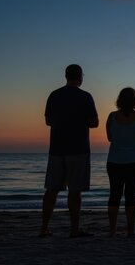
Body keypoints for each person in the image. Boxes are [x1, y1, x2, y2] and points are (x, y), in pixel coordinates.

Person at [40, 64, 99, 238]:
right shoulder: (85, 97)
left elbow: (48, 121)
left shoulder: (54, 95)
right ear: (80, 77)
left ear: (66, 76)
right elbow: (94, 123)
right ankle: (74, 229)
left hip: (57, 148)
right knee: (75, 191)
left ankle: (44, 228)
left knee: (51, 190)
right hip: (78, 148)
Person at [105, 87, 135, 237]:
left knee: (114, 195)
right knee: (131, 195)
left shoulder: (111, 116)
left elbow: (110, 137)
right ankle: (130, 230)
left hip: (115, 160)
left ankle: (112, 230)